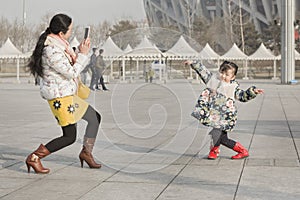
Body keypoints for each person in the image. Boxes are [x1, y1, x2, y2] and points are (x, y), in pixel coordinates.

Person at [26, 13, 102, 174]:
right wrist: (83, 55)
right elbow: (70, 72)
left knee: (94, 118)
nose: (71, 32)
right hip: (60, 98)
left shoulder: (60, 45)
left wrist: (79, 52)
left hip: (68, 95)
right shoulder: (51, 50)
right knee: (69, 137)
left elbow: (67, 63)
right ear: (61, 33)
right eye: (70, 30)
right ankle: (34, 157)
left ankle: (86, 153)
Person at [186, 60, 264, 160]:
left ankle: (238, 151)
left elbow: (242, 96)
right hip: (215, 115)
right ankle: (218, 150)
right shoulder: (214, 82)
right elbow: (204, 72)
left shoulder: (233, 87)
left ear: (233, 77)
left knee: (219, 136)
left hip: (227, 117)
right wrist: (193, 63)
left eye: (226, 74)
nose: (223, 76)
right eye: (221, 72)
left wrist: (253, 92)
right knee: (218, 135)